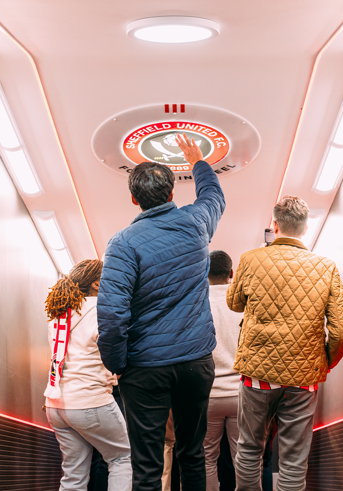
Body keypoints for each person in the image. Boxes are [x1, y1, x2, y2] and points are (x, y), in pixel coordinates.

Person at [97, 134, 226, 491]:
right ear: (171, 194)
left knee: (148, 465)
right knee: (192, 453)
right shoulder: (196, 223)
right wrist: (199, 161)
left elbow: (111, 314)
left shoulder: (123, 243)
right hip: (196, 362)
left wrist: (118, 364)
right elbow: (214, 196)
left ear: (134, 199)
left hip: (145, 368)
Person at [227, 196, 343, 491]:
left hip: (258, 374)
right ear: (306, 227)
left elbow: (234, 302)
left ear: (274, 225)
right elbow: (342, 329)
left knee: (248, 448)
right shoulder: (326, 267)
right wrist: (324, 362)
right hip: (303, 377)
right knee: (294, 459)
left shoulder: (251, 259)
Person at [44, 259, 132, 491]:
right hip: (89, 402)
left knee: (73, 476)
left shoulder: (59, 313)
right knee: (122, 458)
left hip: (56, 405)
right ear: (96, 283)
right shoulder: (100, 311)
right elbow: (113, 352)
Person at [202, 250, 243, 491]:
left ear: (203, 272)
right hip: (242, 393)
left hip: (207, 394)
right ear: (231, 274)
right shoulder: (244, 302)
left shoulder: (195, 301)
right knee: (245, 458)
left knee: (207, 458)